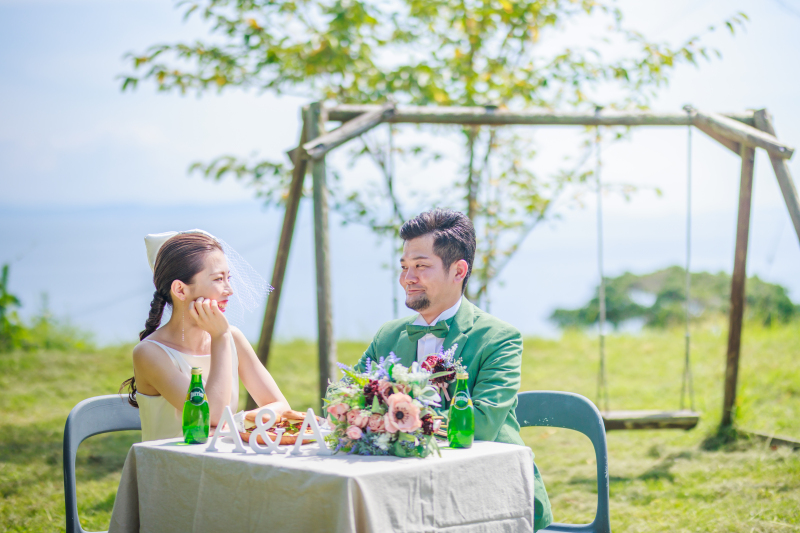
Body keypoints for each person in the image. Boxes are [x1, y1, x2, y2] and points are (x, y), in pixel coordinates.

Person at [354, 209, 553, 531]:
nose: (407, 278)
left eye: (421, 266)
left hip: (489, 490)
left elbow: (483, 424)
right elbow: (349, 401)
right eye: (404, 267)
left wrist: (393, 421)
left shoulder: (498, 337)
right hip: (399, 489)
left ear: (459, 270)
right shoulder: (388, 335)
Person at [120, 230, 290, 441]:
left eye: (229, 278)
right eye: (219, 279)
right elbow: (213, 417)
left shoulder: (232, 337)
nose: (229, 290)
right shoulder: (150, 353)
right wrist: (219, 338)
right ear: (180, 290)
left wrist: (239, 421)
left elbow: (282, 406)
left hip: (224, 461)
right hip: (172, 467)